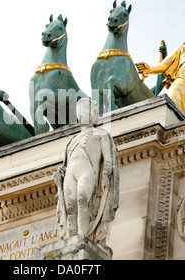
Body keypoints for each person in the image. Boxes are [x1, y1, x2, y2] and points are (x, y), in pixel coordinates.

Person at [53, 98, 119, 254]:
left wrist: (105, 175)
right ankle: (71, 240)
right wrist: (60, 174)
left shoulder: (101, 134)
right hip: (71, 173)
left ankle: (82, 237)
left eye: (86, 111)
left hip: (88, 170)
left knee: (82, 200)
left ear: (93, 115)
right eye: (80, 112)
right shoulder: (72, 140)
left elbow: (109, 159)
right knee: (70, 207)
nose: (82, 115)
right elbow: (66, 163)